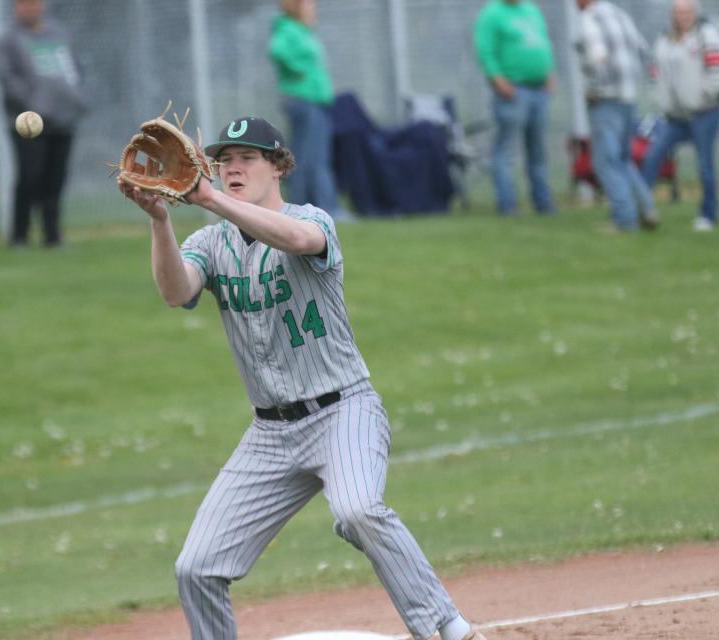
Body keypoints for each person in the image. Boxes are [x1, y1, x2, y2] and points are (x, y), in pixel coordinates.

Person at [118, 116, 487, 640]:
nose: (233, 168)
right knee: (195, 567)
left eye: (247, 158)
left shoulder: (312, 220)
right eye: (224, 160)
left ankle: (446, 627)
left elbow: (296, 239)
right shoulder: (213, 241)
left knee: (358, 510)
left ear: (277, 166)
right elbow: (177, 292)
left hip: (344, 412)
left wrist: (208, 198)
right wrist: (160, 220)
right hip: (270, 435)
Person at [0, 0, 87, 248]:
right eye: (23, 4)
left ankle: (52, 235)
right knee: (29, 177)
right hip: (30, 123)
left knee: (55, 179)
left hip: (63, 118)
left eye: (34, 3)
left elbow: (76, 69)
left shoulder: (60, 33)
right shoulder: (8, 40)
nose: (29, 8)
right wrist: (33, 104)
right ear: (15, 8)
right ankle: (20, 236)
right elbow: (6, 77)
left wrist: (76, 99)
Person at [641, 0, 719, 232]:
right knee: (653, 155)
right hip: (674, 116)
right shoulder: (665, 39)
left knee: (704, 164)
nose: (683, 15)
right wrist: (659, 97)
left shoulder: (707, 36)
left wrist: (703, 95)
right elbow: (654, 71)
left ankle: (708, 215)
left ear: (695, 13)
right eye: (678, 11)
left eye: (687, 11)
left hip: (705, 113)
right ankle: (642, 209)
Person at [574, 0, 658, 232]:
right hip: (628, 98)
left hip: (606, 100)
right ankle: (647, 209)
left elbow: (598, 57)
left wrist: (594, 89)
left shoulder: (589, 19)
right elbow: (642, 50)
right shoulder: (619, 14)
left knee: (606, 162)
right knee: (622, 159)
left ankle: (624, 219)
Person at [268, 0, 352, 221]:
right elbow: (277, 50)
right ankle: (320, 209)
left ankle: (311, 208)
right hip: (304, 102)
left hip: (315, 101)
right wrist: (301, 70)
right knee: (310, 159)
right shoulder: (288, 29)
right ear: (295, 6)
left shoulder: (302, 30)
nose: (313, 8)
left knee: (314, 157)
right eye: (308, 4)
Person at [474, 0, 556, 216]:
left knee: (538, 151)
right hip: (512, 91)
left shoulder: (531, 9)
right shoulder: (492, 13)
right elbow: (486, 51)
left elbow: (543, 42)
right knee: (506, 151)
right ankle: (507, 205)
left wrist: (549, 72)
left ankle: (543, 204)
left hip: (539, 89)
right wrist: (498, 80)